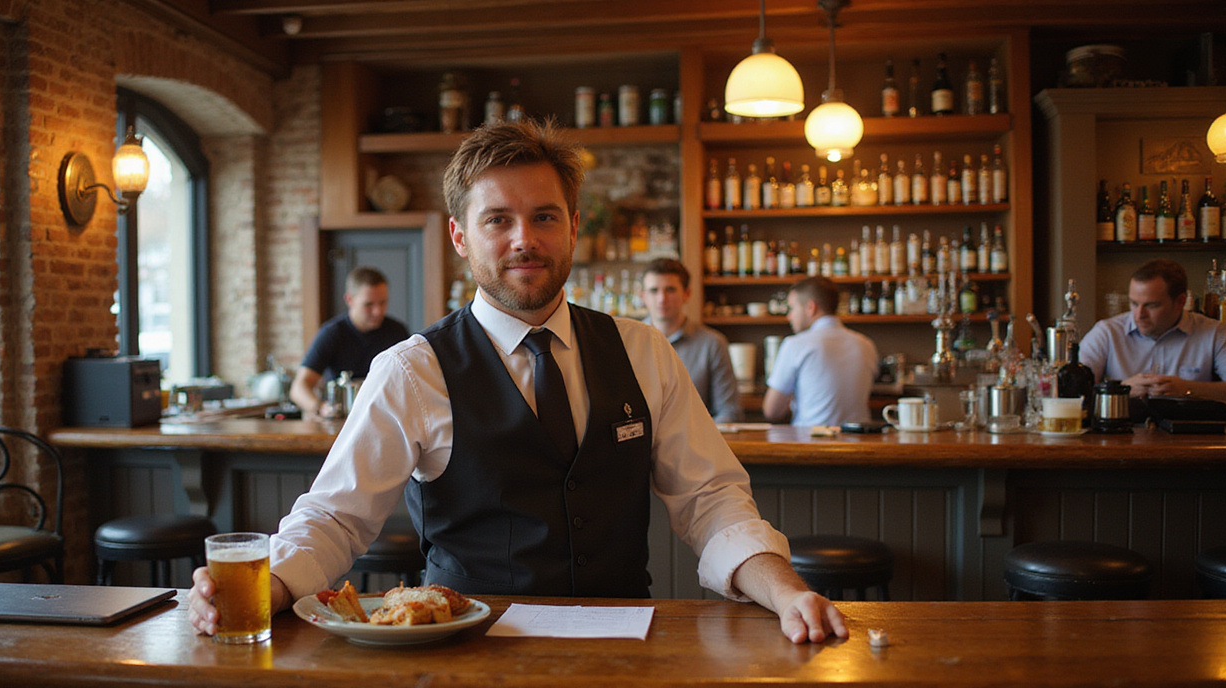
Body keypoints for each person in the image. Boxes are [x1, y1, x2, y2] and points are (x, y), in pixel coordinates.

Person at [190, 119, 846, 645]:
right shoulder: (411, 370)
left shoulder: (642, 350)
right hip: (464, 655)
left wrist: (785, 590)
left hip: (622, 651)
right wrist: (266, 587)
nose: (523, 240)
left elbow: (712, 499)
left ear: (574, 227)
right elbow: (337, 515)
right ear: (459, 235)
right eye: (497, 219)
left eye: (545, 217)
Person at [1079, 258, 1226, 404]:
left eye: (1151, 305)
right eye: (1134, 303)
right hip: (1123, 427)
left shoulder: (1215, 334)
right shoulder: (1107, 332)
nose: (1139, 315)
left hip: (1189, 428)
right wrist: (1121, 390)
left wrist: (1188, 388)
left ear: (1180, 302)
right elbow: (1074, 392)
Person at [288, 266, 409, 418]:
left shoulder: (397, 331)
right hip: (343, 421)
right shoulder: (332, 333)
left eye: (383, 302)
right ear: (349, 299)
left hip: (386, 419)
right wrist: (321, 407)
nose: (378, 311)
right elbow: (299, 388)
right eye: (369, 305)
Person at [762, 276, 879, 426]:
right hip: (859, 443)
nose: (789, 316)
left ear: (811, 307)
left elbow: (772, 412)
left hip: (812, 443)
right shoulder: (866, 344)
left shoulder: (796, 344)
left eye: (792, 308)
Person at [639, 258, 742, 423]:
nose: (661, 299)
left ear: (687, 294)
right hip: (641, 446)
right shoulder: (627, 343)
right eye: (653, 290)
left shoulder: (712, 343)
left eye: (670, 290)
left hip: (695, 446)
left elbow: (728, 411)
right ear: (642, 296)